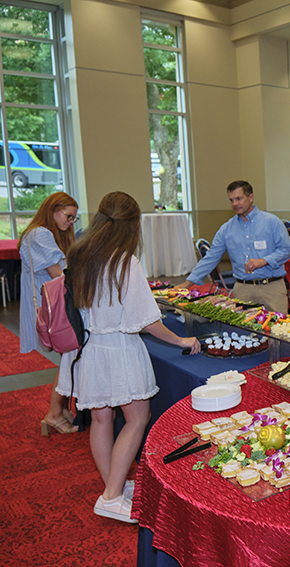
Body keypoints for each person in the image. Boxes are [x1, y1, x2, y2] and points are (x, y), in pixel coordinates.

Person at [56, 192, 201, 524]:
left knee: (102, 420)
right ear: (133, 225)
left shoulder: (80, 254)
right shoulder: (126, 262)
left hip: (91, 348)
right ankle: (110, 497)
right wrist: (181, 339)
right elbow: (149, 322)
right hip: (120, 349)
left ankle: (113, 487)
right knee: (137, 418)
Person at [176, 181, 290, 313]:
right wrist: (187, 284)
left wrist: (264, 260)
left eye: (239, 199)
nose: (234, 204)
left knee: (278, 331)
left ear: (251, 197)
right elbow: (210, 258)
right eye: (231, 200)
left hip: (272, 289)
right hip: (243, 291)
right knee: (244, 332)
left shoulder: (272, 222)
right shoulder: (226, 229)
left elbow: (286, 251)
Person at [18, 192, 80, 435]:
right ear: (53, 210)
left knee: (68, 354)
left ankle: (61, 409)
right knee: (69, 355)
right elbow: (59, 275)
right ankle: (54, 413)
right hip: (50, 305)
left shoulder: (44, 233)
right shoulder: (40, 233)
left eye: (73, 218)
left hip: (50, 303)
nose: (70, 222)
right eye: (68, 216)